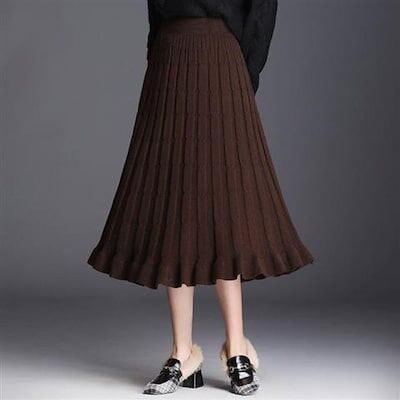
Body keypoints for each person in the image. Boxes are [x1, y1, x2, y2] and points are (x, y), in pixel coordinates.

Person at [87, 0, 314, 395]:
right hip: (168, 64)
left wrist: (243, 73)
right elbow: (155, 11)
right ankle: (182, 353)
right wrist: (158, 59)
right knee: (174, 204)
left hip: (221, 59)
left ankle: (237, 347)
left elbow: (262, 10)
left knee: (226, 205)